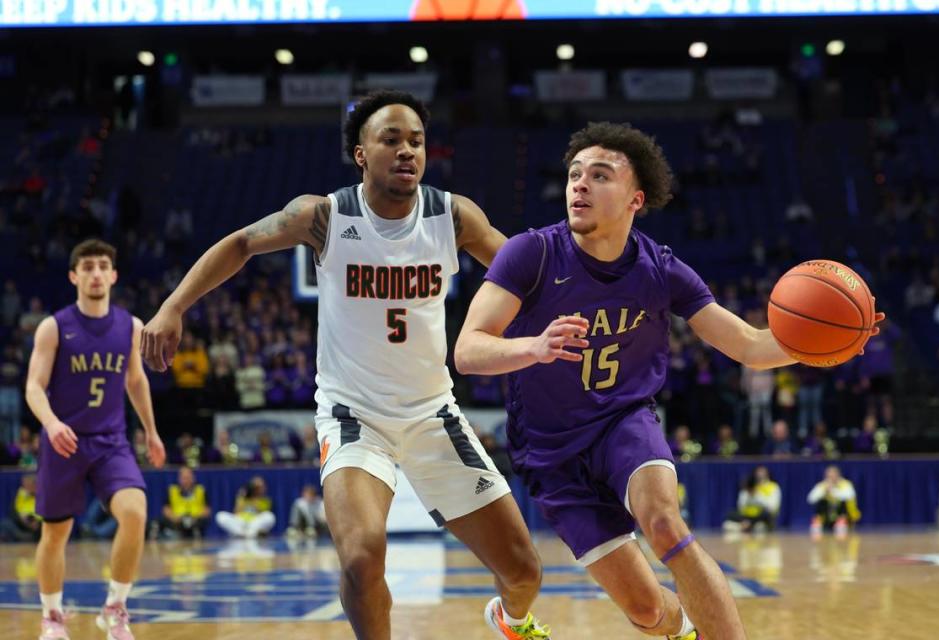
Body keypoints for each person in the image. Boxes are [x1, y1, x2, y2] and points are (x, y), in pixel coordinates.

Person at [139, 90, 549, 640]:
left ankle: (510, 620)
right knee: (360, 560)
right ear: (361, 154)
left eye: (417, 141)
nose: (407, 151)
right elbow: (239, 244)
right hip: (355, 419)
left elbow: (519, 274)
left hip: (434, 415)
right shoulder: (324, 216)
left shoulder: (452, 215)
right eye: (391, 139)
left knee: (524, 571)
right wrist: (173, 306)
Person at [454, 121, 884, 640]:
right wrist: (534, 346)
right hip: (552, 453)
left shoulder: (661, 269)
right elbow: (468, 351)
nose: (579, 185)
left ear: (636, 199)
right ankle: (677, 630)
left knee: (663, 522)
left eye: (599, 175)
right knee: (647, 612)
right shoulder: (532, 253)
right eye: (573, 174)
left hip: (623, 422)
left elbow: (748, 345)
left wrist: (826, 344)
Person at [24, 238, 166, 640]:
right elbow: (34, 386)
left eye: (103, 265)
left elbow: (136, 382)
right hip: (63, 441)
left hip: (110, 442)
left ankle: (115, 609)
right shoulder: (54, 327)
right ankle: (52, 618)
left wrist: (152, 432)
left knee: (136, 512)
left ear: (115, 274)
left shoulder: (131, 326)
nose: (96, 273)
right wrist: (51, 423)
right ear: (74, 276)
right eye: (87, 267)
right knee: (55, 534)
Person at [722, 466, 781, 533]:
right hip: (747, 516)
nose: (760, 475)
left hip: (761, 516)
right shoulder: (747, 489)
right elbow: (741, 507)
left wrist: (757, 496)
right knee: (730, 514)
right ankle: (746, 525)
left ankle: (748, 525)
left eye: (762, 473)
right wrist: (747, 494)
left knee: (765, 515)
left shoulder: (773, 487)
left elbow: (772, 508)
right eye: (758, 473)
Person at [807, 465, 861, 538]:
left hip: (843, 514)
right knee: (822, 502)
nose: (831, 478)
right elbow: (810, 499)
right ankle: (818, 522)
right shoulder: (823, 485)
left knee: (843, 502)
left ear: (838, 475)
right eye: (829, 476)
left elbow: (850, 496)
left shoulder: (846, 484)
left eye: (833, 475)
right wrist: (823, 491)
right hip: (827, 516)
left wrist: (833, 490)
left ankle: (842, 521)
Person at [159, 465, 210, 539]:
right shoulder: (172, 490)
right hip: (177, 520)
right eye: (184, 478)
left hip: (195, 520)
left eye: (188, 477)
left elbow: (207, 509)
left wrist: (196, 517)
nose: (186, 480)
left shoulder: (201, 490)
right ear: (179, 479)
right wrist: (174, 517)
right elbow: (166, 509)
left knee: (203, 522)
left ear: (193, 478)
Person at [0, 473, 41, 542]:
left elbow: (47, 514)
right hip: (21, 524)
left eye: (28, 485)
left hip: (37, 524)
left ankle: (26, 538)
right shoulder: (20, 494)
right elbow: (13, 512)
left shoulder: (43, 496)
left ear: (35, 485)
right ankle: (24, 537)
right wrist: (21, 519)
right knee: (4, 524)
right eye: (24, 484)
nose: (25, 487)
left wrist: (35, 522)